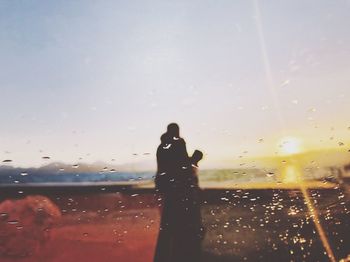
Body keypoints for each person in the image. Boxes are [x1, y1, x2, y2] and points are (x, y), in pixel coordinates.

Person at [154, 123, 204, 262]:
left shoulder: (161, 147)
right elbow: (183, 167)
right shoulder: (178, 143)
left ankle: (165, 253)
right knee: (183, 224)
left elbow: (168, 168)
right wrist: (195, 159)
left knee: (169, 223)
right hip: (180, 190)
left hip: (166, 189)